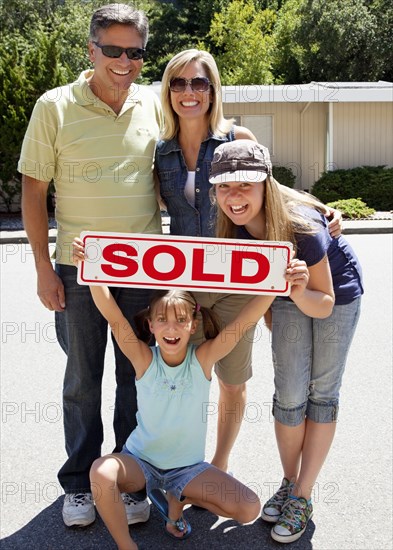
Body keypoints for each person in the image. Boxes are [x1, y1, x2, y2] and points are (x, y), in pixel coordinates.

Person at [155, 48, 342, 474]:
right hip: (188, 281)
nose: (189, 92)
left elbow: (272, 191)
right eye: (179, 83)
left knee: (231, 380)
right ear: (168, 91)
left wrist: (323, 209)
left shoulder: (237, 140)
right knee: (180, 376)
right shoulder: (161, 151)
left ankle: (218, 465)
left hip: (240, 280)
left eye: (199, 82)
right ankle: (177, 462)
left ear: (213, 89)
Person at [18, 4, 163, 527]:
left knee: (136, 375)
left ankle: (126, 478)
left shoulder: (155, 104)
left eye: (135, 52)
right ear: (91, 49)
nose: (124, 62)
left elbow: (205, 138)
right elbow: (34, 191)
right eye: (113, 50)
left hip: (145, 271)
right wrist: (41, 266)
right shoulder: (53, 106)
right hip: (78, 274)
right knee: (82, 378)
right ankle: (79, 484)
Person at [209, 139, 363, 543]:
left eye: (245, 184)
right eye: (224, 186)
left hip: (334, 294)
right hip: (290, 294)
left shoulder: (302, 227)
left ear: (265, 184)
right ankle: (289, 482)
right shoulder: (234, 231)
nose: (234, 196)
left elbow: (324, 302)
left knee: (321, 394)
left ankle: (303, 494)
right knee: (290, 392)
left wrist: (294, 294)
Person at [77, 284, 279, 548]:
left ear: (192, 326)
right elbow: (114, 318)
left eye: (180, 320)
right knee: (100, 472)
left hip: (187, 469)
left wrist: (276, 283)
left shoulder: (203, 358)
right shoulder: (144, 359)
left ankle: (178, 499)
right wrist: (91, 272)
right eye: (162, 320)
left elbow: (243, 323)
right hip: (140, 462)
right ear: (150, 325)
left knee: (249, 508)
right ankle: (127, 545)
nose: (171, 329)